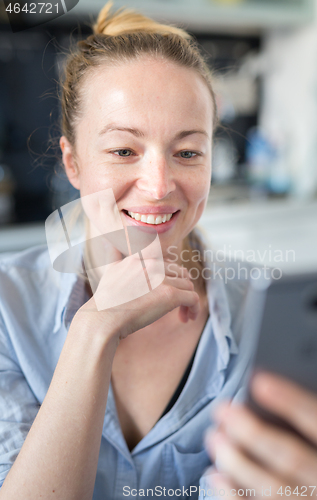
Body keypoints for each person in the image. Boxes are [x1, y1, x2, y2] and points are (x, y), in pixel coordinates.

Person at [0, 3, 249, 499]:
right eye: (123, 151)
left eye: (187, 152)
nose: (158, 186)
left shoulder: (265, 311)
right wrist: (94, 328)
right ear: (73, 163)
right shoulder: (7, 308)